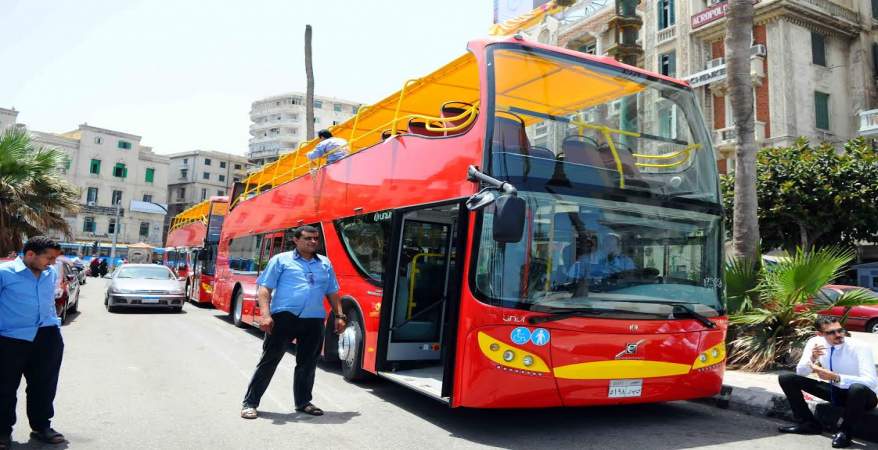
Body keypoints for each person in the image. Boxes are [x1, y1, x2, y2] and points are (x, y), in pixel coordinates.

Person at [240, 225, 346, 419]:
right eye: (308, 238)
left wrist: (340, 315)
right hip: (284, 318)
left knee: (308, 364)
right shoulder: (280, 260)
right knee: (270, 360)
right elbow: (265, 289)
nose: (313, 242)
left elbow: (332, 291)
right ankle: (250, 403)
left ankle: (303, 402)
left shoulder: (324, 263)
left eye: (315, 239)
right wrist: (265, 315)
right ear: (295, 240)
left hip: (314, 320)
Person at [0, 236, 66, 449]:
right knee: (5, 387)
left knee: (44, 385)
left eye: (55, 258)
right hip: (11, 338)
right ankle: (2, 431)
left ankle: (41, 426)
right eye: (49, 258)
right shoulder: (4, 274)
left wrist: (54, 326)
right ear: (30, 255)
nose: (52, 263)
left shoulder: (50, 273)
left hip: (47, 336)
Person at [777, 316, 877, 448]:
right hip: (836, 393)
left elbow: (870, 381)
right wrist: (812, 358)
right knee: (787, 378)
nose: (838, 335)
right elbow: (801, 372)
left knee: (856, 388)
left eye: (840, 330)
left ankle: (845, 432)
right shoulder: (815, 343)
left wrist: (837, 377)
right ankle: (808, 424)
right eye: (831, 332)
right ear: (820, 334)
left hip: (864, 397)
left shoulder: (860, 347)